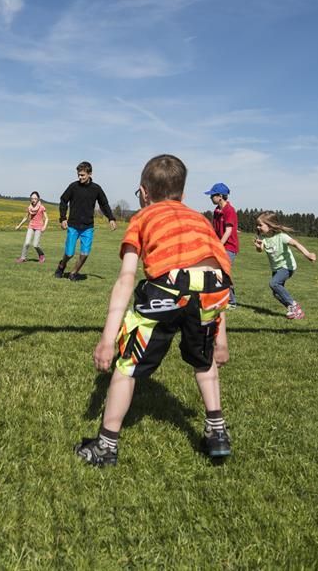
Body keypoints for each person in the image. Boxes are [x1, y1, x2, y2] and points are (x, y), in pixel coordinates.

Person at [75, 154, 233, 467]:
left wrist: (108, 339)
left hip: (169, 288)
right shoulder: (201, 221)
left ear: (143, 193)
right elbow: (214, 278)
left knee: (128, 364)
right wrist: (221, 338)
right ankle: (217, 433)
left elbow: (126, 279)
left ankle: (106, 446)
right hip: (213, 289)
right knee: (203, 360)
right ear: (183, 195)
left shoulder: (142, 218)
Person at [55, 161, 116, 282]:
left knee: (85, 254)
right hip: (73, 225)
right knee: (69, 253)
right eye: (78, 175)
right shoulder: (73, 186)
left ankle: (73, 273)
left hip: (88, 227)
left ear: (90, 174)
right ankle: (62, 265)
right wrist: (63, 218)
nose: (80, 177)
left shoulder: (96, 189)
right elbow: (63, 200)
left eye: (82, 175)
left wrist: (111, 218)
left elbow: (104, 204)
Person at [253, 211, 317, 319]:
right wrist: (258, 247)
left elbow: (296, 244)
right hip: (276, 268)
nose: (258, 227)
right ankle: (295, 311)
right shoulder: (263, 238)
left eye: (260, 225)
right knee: (276, 293)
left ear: (270, 225)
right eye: (257, 225)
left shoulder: (281, 236)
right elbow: (260, 250)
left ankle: (294, 306)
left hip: (287, 267)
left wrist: (308, 254)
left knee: (274, 283)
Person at [205, 182, 239, 307]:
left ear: (220, 196)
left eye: (212, 195)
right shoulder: (217, 210)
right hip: (221, 245)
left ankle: (232, 301)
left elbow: (228, 231)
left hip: (229, 247)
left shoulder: (229, 210)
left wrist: (218, 245)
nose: (210, 198)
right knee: (217, 272)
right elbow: (215, 230)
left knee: (224, 272)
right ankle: (222, 298)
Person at [15, 191, 49, 263]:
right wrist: (19, 225)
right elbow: (26, 217)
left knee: (35, 245)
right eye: (32, 198)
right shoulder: (29, 207)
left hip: (39, 227)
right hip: (31, 226)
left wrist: (44, 226)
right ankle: (23, 258)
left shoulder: (42, 207)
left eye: (35, 198)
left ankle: (41, 255)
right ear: (30, 199)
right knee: (27, 243)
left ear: (38, 199)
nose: (33, 200)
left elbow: (46, 218)